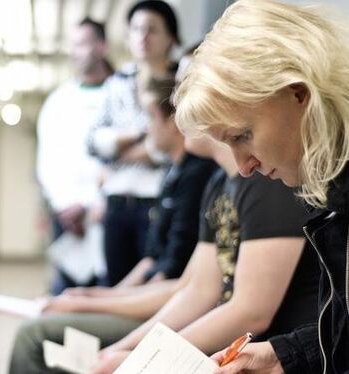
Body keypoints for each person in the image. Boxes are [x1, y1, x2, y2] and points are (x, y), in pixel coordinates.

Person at [174, 1, 349, 373]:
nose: (243, 165)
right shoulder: (331, 188)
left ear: (298, 93)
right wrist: (284, 356)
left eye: (244, 136)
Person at [7, 77, 217, 374]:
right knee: (45, 327)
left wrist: (93, 304)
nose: (145, 128)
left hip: (164, 309)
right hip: (157, 301)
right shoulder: (176, 174)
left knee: (34, 335)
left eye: (150, 117)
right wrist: (96, 296)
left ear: (173, 121)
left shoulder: (200, 177)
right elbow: (153, 262)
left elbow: (174, 281)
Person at [89, 137, 320, 373]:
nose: (179, 119)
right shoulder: (219, 181)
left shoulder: (267, 183)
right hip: (233, 349)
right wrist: (124, 346)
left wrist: (142, 355)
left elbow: (251, 312)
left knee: (56, 334)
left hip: (267, 350)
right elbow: (196, 290)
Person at [86, 0, 180, 286]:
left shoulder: (182, 81)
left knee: (151, 285)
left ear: (170, 38)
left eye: (152, 30)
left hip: (159, 201)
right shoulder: (117, 82)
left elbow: (176, 147)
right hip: (117, 204)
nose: (142, 37)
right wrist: (142, 137)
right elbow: (93, 142)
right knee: (115, 285)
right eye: (136, 29)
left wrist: (118, 149)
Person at [36, 17, 113, 295]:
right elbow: (47, 162)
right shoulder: (58, 101)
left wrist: (89, 203)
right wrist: (64, 205)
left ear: (102, 46)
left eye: (82, 43)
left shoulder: (118, 94)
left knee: (106, 296)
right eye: (72, 45)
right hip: (66, 217)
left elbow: (123, 162)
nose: (74, 51)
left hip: (105, 214)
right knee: (63, 296)